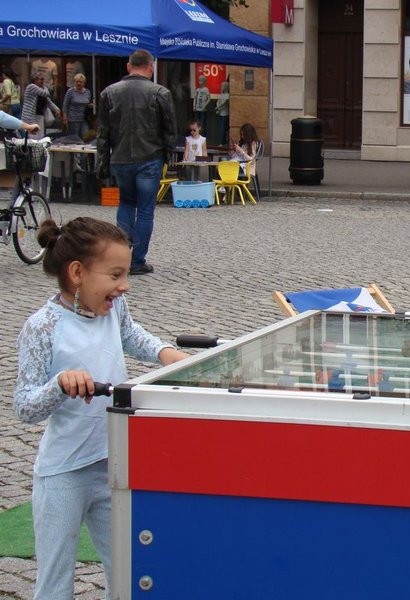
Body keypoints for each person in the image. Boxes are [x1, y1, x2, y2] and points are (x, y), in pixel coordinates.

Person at [14, 217, 187, 600]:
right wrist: (60, 385)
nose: (124, 285)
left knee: (128, 570)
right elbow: (25, 406)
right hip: (64, 472)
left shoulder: (115, 308)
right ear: (77, 272)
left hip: (114, 463)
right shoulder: (42, 327)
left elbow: (131, 335)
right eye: (115, 275)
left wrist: (166, 354)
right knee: (55, 583)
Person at [97, 49, 176, 276]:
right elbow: (169, 129)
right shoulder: (160, 92)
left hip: (121, 157)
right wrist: (169, 157)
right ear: (150, 68)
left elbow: (103, 133)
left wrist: (102, 162)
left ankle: (121, 258)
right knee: (145, 210)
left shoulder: (109, 93)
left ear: (128, 66)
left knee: (126, 204)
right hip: (150, 157)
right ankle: (137, 260)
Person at [21, 73, 60, 140]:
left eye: (43, 80)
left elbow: (48, 101)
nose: (42, 81)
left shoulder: (41, 89)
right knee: (32, 136)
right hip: (30, 116)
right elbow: (46, 93)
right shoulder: (31, 86)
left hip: (39, 115)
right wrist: (45, 87)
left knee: (40, 136)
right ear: (35, 80)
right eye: (41, 79)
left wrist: (57, 109)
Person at [62, 73, 92, 140]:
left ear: (84, 83)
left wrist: (90, 105)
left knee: (86, 136)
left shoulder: (87, 92)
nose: (78, 83)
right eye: (77, 82)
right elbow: (65, 104)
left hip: (84, 119)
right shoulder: (70, 91)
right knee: (75, 139)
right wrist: (64, 117)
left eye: (80, 82)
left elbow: (87, 102)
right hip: (73, 119)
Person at [214, 81, 230, 145]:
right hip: (220, 113)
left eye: (223, 86)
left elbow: (225, 103)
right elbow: (218, 102)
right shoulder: (221, 95)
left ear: (226, 87)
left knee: (223, 129)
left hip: (225, 114)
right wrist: (217, 107)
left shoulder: (228, 96)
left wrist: (218, 108)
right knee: (221, 129)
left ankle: (222, 142)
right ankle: (222, 142)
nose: (222, 87)